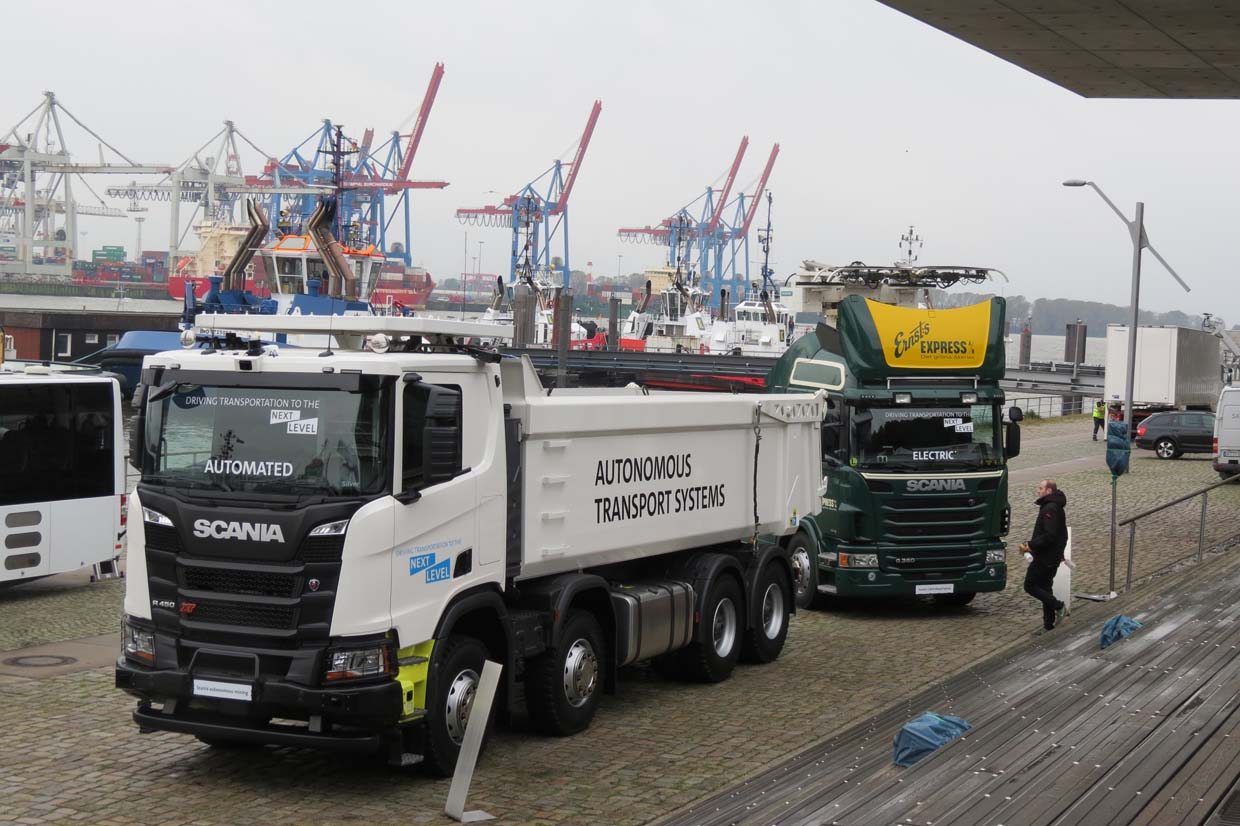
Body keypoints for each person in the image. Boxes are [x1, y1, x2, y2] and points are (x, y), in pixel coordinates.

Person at [1020, 479, 1068, 632]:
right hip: (1052, 556)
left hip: (1045, 557)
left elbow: (1050, 535)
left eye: (1040, 488)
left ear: (1049, 491)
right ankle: (1049, 625)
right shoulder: (1054, 506)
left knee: (1030, 585)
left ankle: (1058, 606)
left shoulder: (1050, 508)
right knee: (1045, 588)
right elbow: (1063, 535)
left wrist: (1031, 545)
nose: (1038, 491)